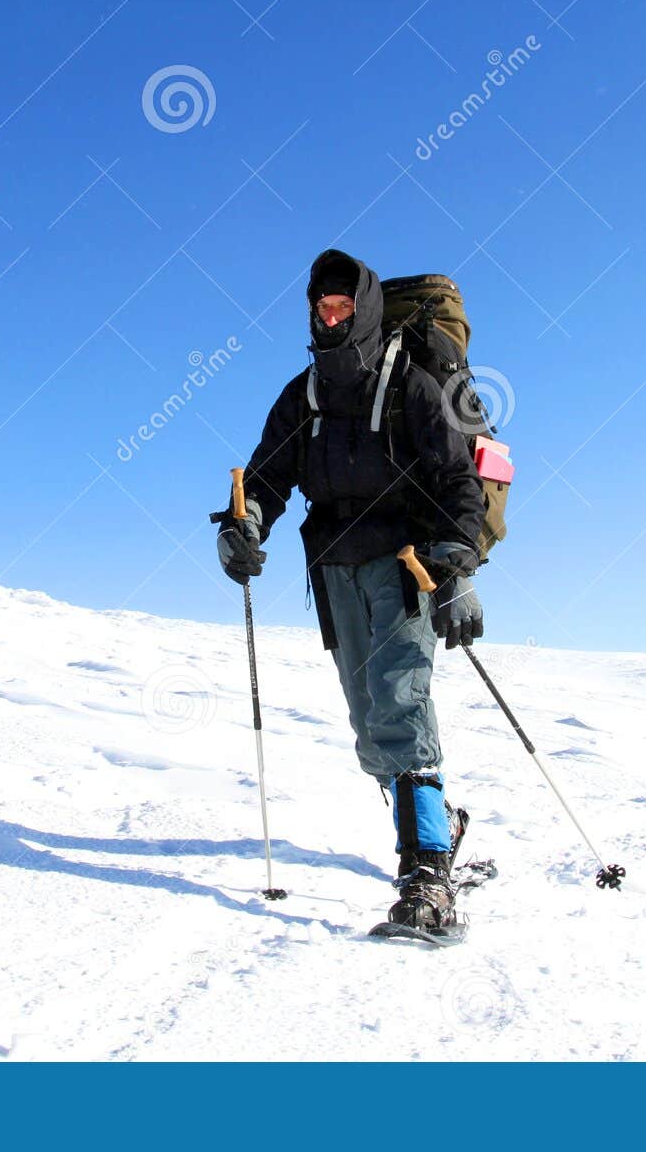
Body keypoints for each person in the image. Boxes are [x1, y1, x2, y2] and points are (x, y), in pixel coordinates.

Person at [214, 248, 486, 931]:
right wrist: (244, 524)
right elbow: (269, 478)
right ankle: (437, 820)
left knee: (398, 703)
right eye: (320, 307)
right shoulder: (302, 393)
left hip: (405, 563)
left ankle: (427, 877)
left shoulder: (409, 385)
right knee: (370, 728)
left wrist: (458, 569)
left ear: (362, 308)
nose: (330, 317)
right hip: (334, 570)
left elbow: (457, 478)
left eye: (341, 307)